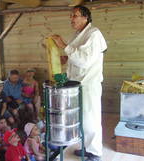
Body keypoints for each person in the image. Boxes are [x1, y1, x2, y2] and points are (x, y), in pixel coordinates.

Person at [51, 5, 107, 161]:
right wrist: (66, 59)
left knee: (91, 119)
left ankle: (95, 152)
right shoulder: (78, 34)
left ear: (85, 17)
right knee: (81, 118)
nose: (72, 19)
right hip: (77, 83)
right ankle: (87, 148)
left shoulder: (93, 34)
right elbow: (78, 55)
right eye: (71, 16)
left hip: (89, 84)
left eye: (75, 15)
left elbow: (85, 61)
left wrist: (64, 46)